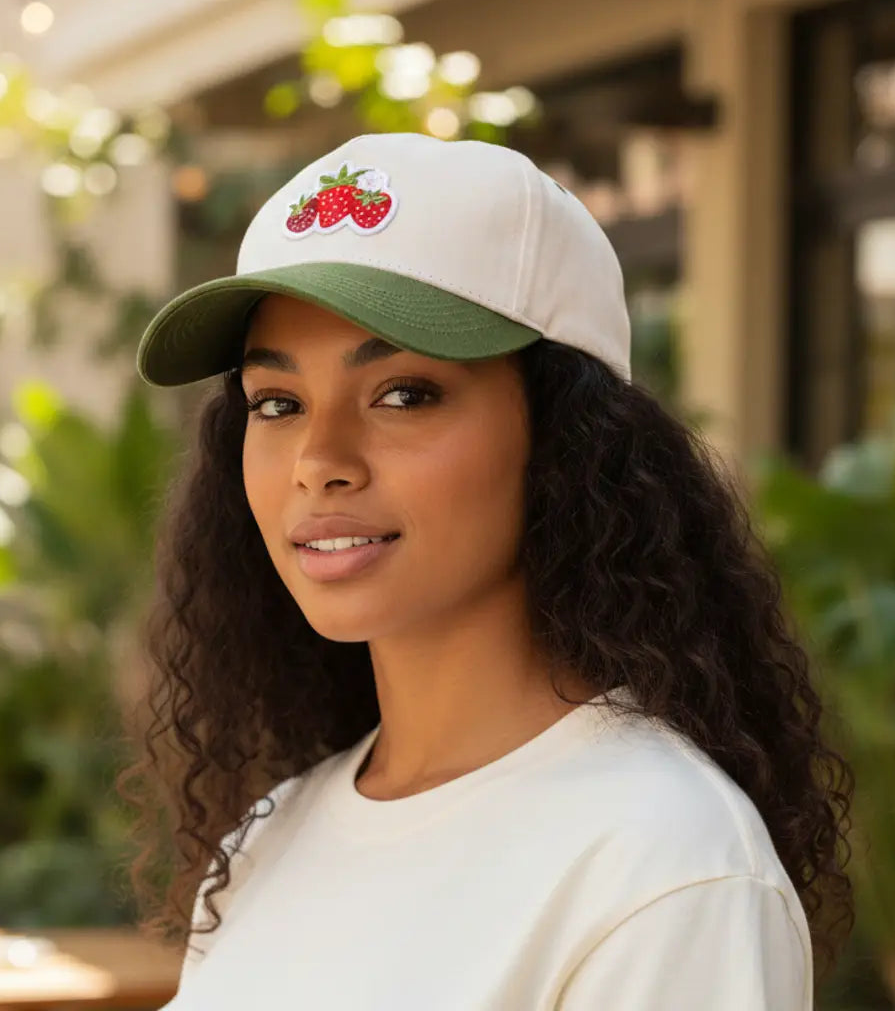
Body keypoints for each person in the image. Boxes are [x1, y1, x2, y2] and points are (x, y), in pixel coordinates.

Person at [124, 132, 854, 1010]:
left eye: (404, 394)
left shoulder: (663, 866)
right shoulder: (275, 832)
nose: (318, 459)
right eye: (276, 404)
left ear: (567, 443)